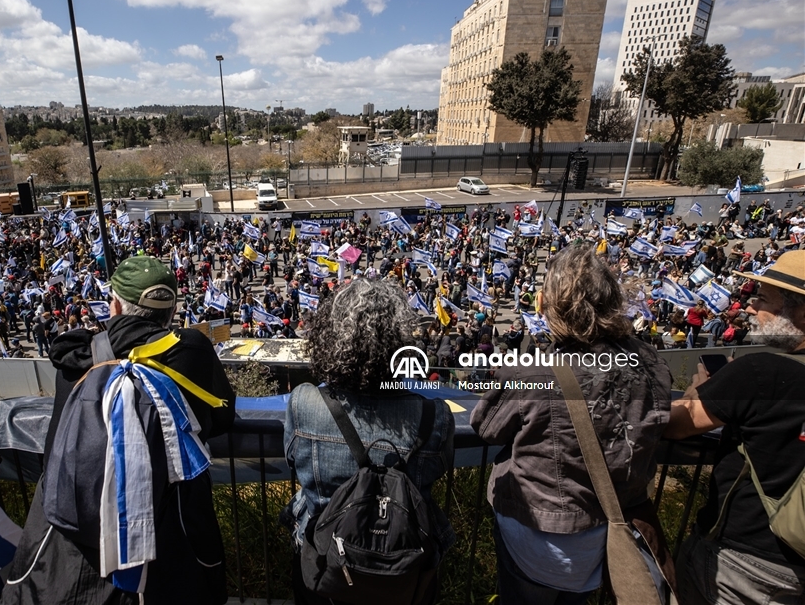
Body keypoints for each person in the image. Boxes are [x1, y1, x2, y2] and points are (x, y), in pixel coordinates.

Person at [2, 255, 236, 605]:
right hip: (165, 538)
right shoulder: (191, 351)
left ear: (114, 305)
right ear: (171, 310)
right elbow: (222, 417)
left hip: (71, 543)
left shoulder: (79, 357)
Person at [471, 244, 674, 604]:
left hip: (539, 536)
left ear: (550, 305)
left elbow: (485, 426)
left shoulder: (532, 370)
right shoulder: (649, 361)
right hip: (611, 536)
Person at [281, 278, 456, 605]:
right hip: (404, 568)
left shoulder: (302, 402)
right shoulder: (435, 416)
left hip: (323, 561)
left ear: (329, 338)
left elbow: (292, 458)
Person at [665, 250, 805, 604]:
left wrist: (700, 389)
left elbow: (675, 424)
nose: (751, 308)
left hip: (741, 565)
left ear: (801, 311)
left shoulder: (761, 372)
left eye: (763, 299)